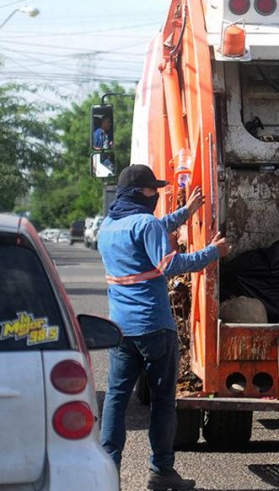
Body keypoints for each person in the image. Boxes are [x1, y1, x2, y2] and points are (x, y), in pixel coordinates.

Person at [98, 164, 230, 491]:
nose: (155, 194)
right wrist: (213, 252)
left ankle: (105, 472)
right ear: (138, 193)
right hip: (154, 327)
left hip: (120, 329)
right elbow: (170, 264)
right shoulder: (145, 224)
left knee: (116, 400)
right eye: (151, 190)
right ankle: (161, 471)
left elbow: (152, 228)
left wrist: (186, 212)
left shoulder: (108, 226)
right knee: (162, 402)